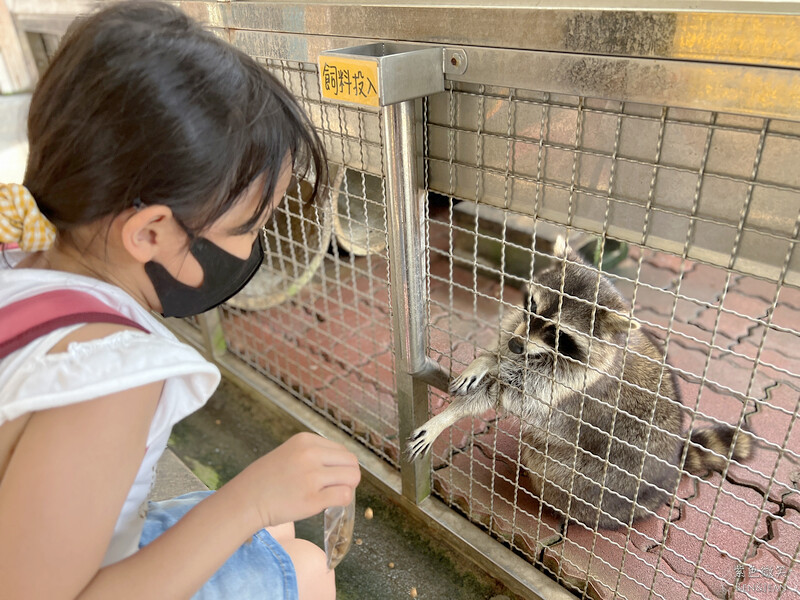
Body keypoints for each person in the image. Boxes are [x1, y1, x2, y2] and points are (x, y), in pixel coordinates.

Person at [0, 2, 361, 599]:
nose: (253, 246)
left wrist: (259, 505)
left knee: (279, 523)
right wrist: (248, 500)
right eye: (248, 225)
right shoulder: (108, 374)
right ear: (150, 234)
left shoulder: (20, 255)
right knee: (308, 570)